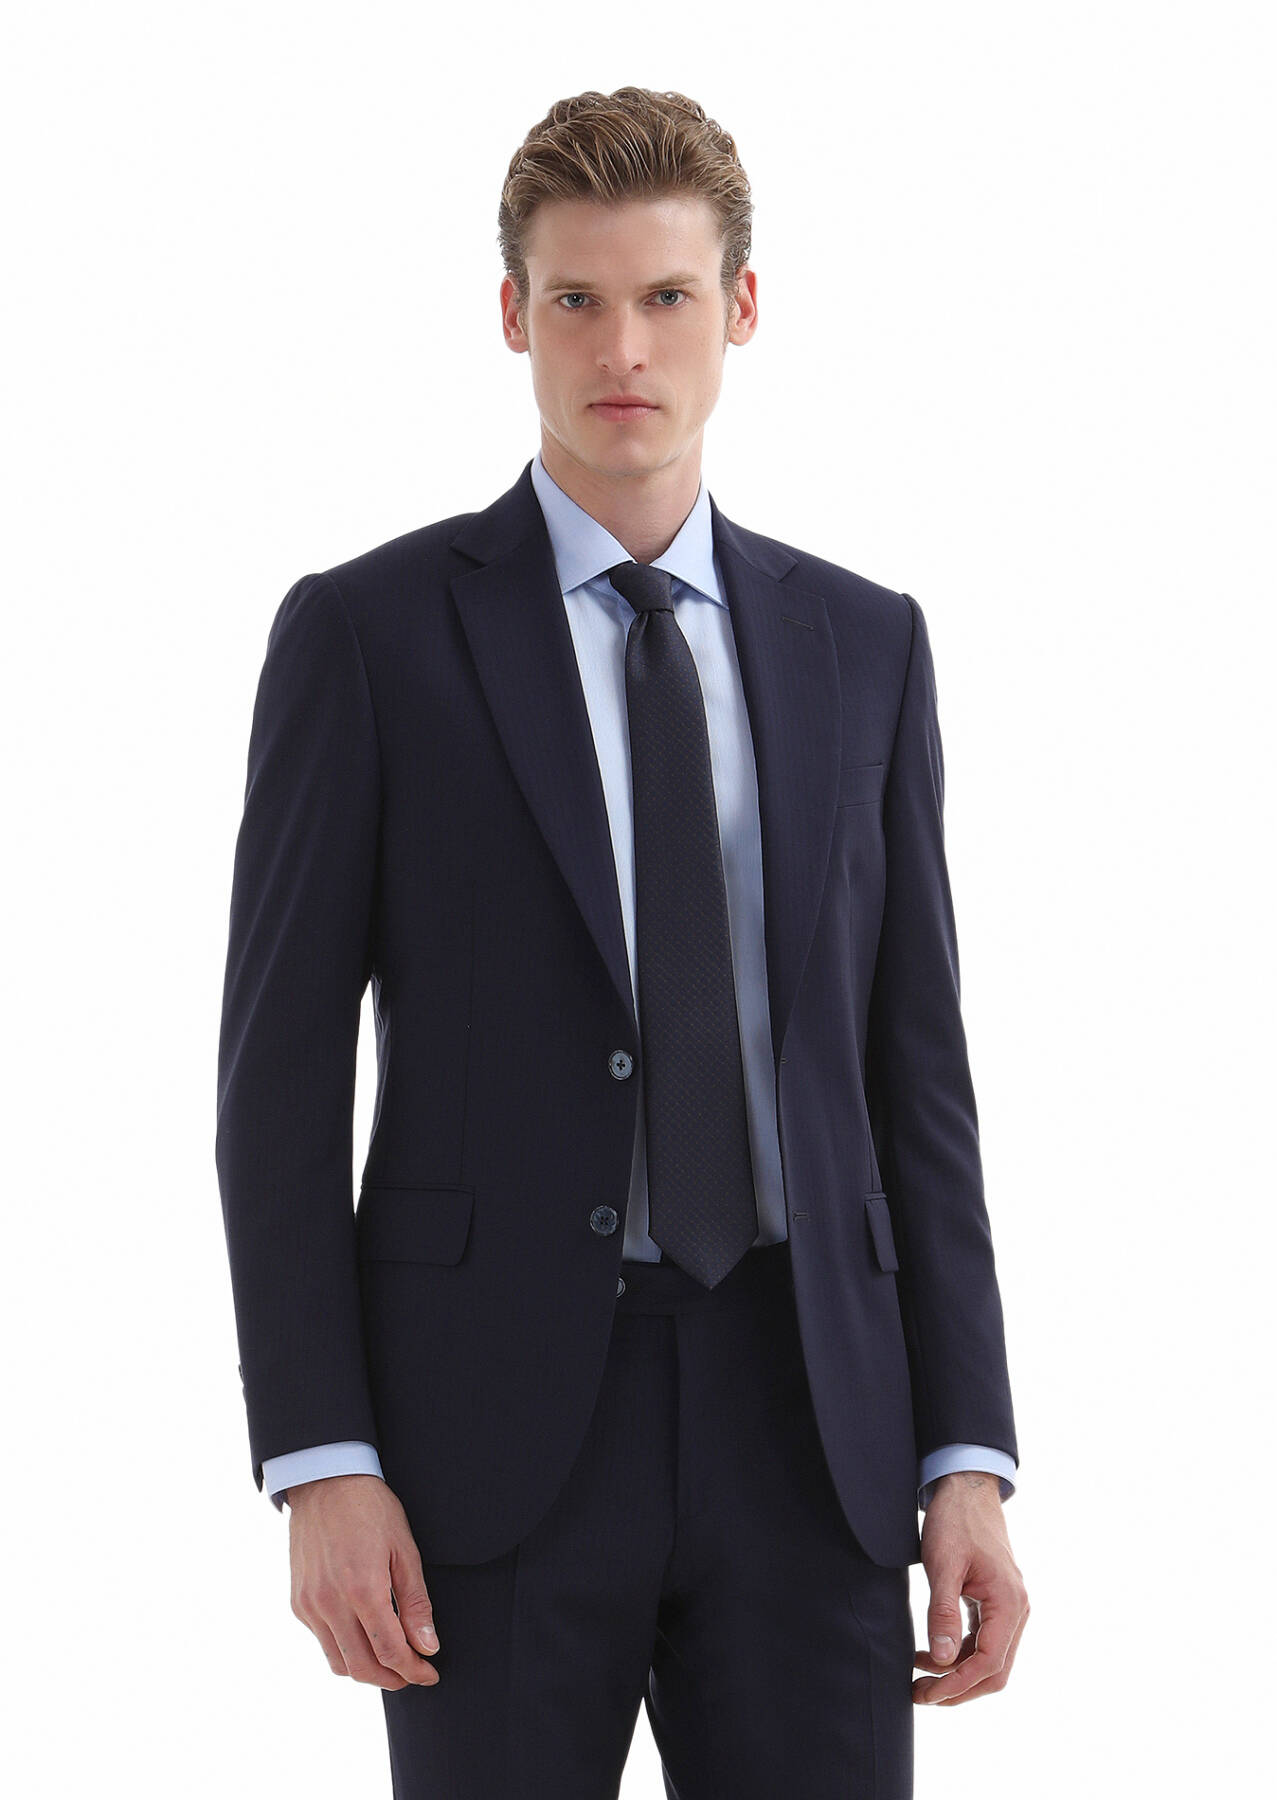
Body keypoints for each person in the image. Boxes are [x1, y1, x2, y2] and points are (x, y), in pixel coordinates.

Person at [215, 84, 1028, 1800]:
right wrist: (320, 1456)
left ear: (743, 307)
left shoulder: (863, 646)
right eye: (576, 299)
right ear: (512, 314)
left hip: (810, 1425)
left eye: (666, 296)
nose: (622, 348)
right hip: (484, 1437)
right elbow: (274, 1085)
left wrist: (965, 1449)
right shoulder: (370, 636)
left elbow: (916, 1079)